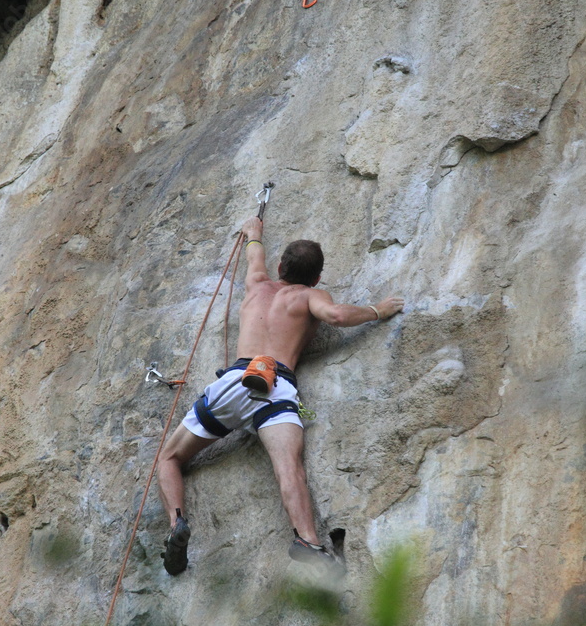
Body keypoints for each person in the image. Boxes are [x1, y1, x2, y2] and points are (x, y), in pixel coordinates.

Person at [157, 215, 404, 576]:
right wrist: (376, 311)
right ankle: (308, 540)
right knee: (289, 467)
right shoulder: (309, 295)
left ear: (279, 266)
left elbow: (254, 256)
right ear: (317, 278)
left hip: (235, 382)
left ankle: (176, 523)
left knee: (169, 457)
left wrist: (254, 233)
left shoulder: (256, 285)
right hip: (275, 388)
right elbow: (334, 315)